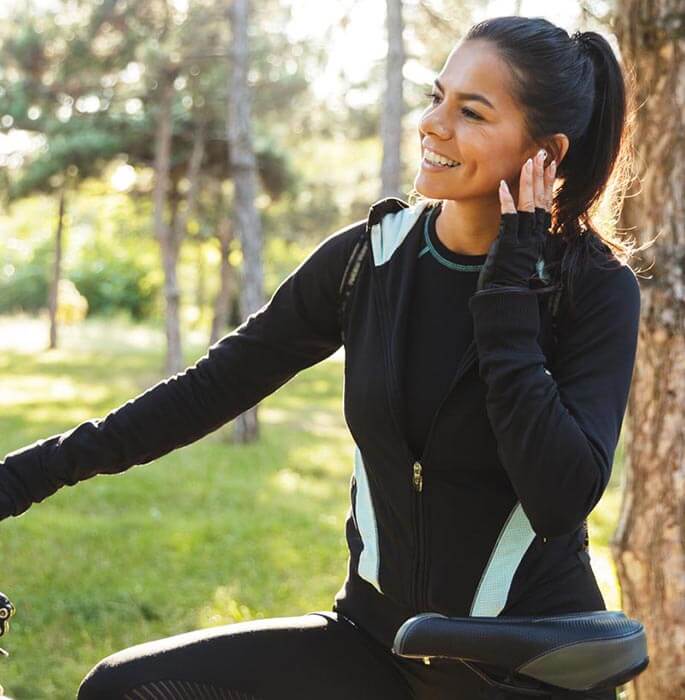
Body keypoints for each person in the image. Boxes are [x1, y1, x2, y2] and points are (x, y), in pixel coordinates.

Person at [0, 15, 642, 700]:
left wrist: (509, 290)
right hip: (372, 643)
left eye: (471, 112)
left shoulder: (593, 290)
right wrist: (21, 479)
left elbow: (560, 496)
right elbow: (208, 389)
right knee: (123, 690)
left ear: (545, 151)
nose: (432, 125)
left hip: (521, 666)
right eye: (435, 97)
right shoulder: (368, 261)